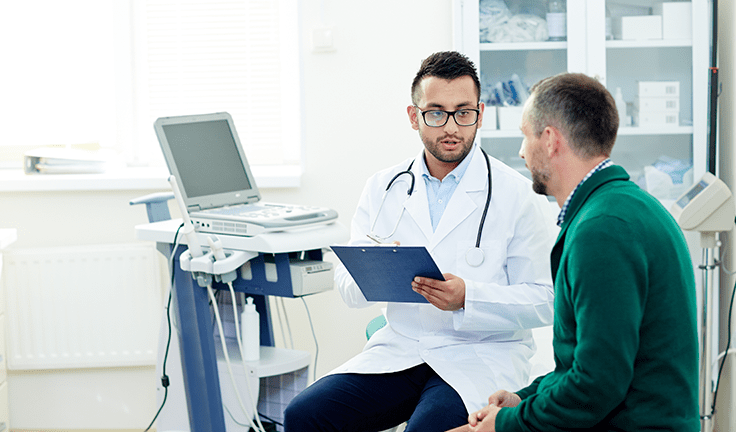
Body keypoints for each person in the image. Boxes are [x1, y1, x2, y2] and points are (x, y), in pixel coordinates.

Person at [283, 51, 558, 432]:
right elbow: (346, 286)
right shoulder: (384, 187)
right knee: (304, 415)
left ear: (479, 112)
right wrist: (378, 272)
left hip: (480, 355)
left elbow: (547, 299)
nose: (451, 127)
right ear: (414, 117)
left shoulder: (516, 193)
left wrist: (469, 298)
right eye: (435, 112)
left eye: (463, 112)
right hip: (403, 349)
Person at [463, 72, 699, 431]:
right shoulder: (625, 206)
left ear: (550, 140)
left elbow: (596, 384)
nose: (522, 151)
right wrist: (523, 399)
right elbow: (583, 364)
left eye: (525, 136)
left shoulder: (602, 230)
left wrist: (507, 423)